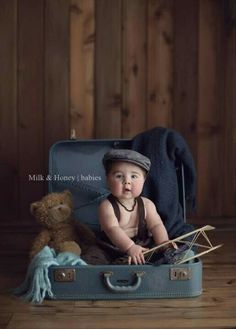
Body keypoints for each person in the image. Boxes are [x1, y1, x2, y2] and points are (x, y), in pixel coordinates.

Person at [98, 149, 170, 265]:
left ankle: (168, 257)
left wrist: (164, 244)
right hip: (111, 247)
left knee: (159, 254)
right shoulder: (106, 206)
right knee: (94, 257)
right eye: (119, 176)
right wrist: (130, 247)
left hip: (142, 246)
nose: (127, 182)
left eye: (134, 176)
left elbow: (156, 225)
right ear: (108, 180)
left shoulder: (147, 204)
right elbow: (112, 229)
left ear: (144, 180)